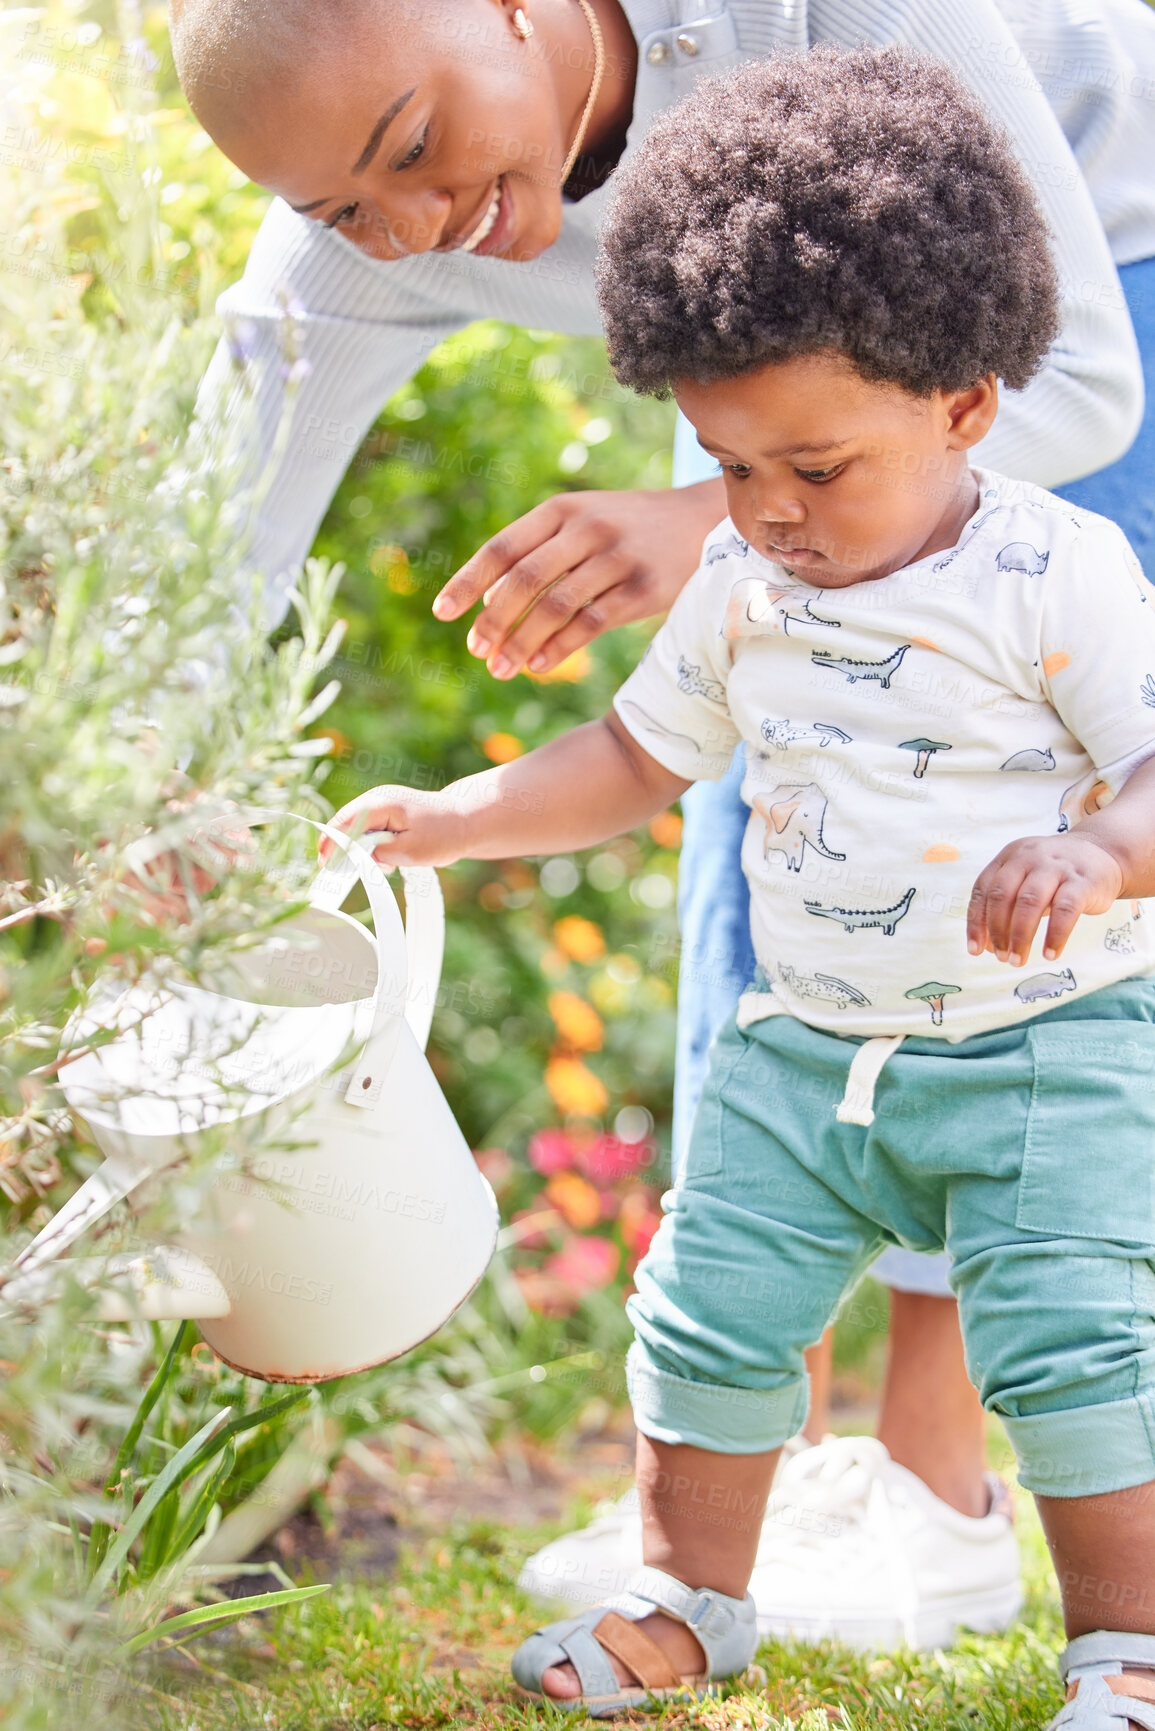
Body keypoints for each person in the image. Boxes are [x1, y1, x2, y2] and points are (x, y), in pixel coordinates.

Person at [171, 0, 1155, 1645]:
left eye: (412, 148)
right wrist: (154, 769)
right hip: (781, 374)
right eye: (342, 207)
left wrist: (712, 511)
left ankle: (938, 1488)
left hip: (1093, 256)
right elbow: (213, 535)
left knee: (991, 769)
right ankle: (732, 1540)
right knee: (790, 785)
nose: (409, 227)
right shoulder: (377, 231)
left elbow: (1075, 390)